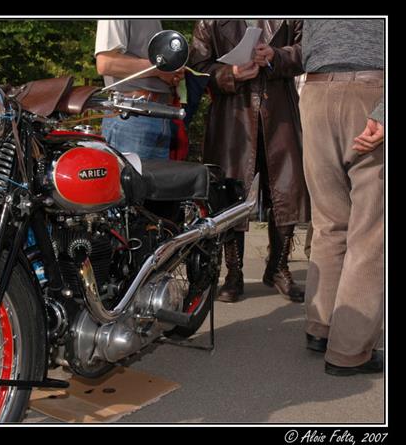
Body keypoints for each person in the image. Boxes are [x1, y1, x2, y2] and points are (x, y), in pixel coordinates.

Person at [188, 20, 310, 303]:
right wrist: (228, 74)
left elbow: (309, 51)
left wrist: (276, 56)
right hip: (233, 119)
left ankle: (278, 267)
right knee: (231, 193)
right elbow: (196, 70)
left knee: (286, 189)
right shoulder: (211, 21)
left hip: (280, 113)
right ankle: (234, 273)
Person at [300, 19, 384, 376]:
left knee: (329, 222)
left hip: (316, 92)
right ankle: (349, 352)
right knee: (370, 232)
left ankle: (321, 328)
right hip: (370, 92)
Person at [95, 19, 184, 159]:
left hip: (160, 114)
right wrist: (160, 70)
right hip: (130, 115)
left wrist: (172, 73)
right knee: (126, 179)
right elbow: (106, 63)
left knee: (157, 180)